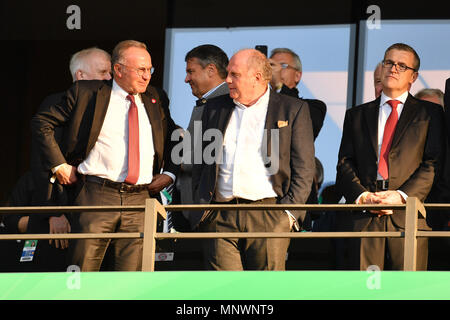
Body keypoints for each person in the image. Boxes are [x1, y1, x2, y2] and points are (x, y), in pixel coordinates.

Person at [31, 40, 179, 272]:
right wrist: (59, 164)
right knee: (82, 275)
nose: (146, 76)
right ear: (118, 70)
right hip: (96, 196)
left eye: (149, 69)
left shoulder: (155, 98)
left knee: (129, 283)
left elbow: (174, 135)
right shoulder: (87, 93)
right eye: (140, 69)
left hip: (140, 200)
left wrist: (170, 172)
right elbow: (42, 123)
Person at [192, 49, 315, 270]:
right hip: (220, 215)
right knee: (223, 294)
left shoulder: (292, 109)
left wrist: (286, 215)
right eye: (228, 73)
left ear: (257, 77)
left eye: (234, 74)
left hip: (269, 215)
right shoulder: (214, 108)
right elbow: (201, 164)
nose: (227, 80)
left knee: (265, 292)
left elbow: (305, 169)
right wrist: (205, 212)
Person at [336, 43, 445, 270]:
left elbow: (432, 164)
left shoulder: (430, 114)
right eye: (389, 62)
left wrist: (401, 196)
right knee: (365, 291)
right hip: (365, 216)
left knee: (407, 291)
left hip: (408, 217)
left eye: (401, 65)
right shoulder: (356, 115)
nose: (393, 69)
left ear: (413, 76)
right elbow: (345, 163)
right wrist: (364, 197)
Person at [178, 44, 229, 230]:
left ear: (211, 70)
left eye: (191, 72)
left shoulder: (223, 105)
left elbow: (204, 157)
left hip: (211, 214)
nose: (186, 79)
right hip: (199, 213)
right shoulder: (208, 102)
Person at [269, 48, 326, 140]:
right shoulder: (259, 103)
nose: (276, 70)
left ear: (297, 76)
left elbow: (304, 134)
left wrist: (279, 86)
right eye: (271, 65)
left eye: (283, 66)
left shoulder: (314, 107)